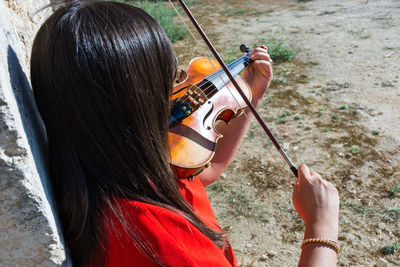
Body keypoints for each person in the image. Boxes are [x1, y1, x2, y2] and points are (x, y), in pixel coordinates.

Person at [30, 1, 339, 266]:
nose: (179, 93)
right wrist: (321, 227)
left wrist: (250, 97)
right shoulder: (165, 244)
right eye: (169, 80)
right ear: (132, 105)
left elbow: (203, 171)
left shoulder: (106, 166)